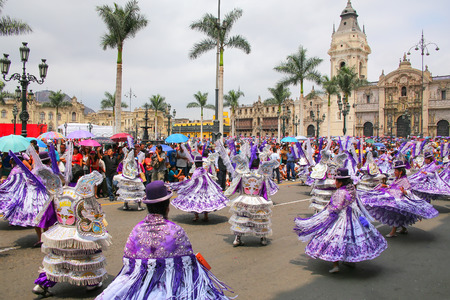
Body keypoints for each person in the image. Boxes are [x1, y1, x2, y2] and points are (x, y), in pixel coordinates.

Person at [95, 180, 233, 299]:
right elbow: (189, 268)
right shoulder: (176, 231)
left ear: (148, 206)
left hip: (141, 285)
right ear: (167, 207)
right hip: (168, 287)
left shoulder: (136, 230)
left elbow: (129, 267)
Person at [294, 168, 387, 273]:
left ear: (341, 181)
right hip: (354, 217)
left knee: (335, 239)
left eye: (336, 181)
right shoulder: (351, 189)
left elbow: (336, 207)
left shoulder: (340, 192)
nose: (335, 183)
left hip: (341, 218)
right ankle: (350, 261)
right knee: (351, 239)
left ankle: (336, 265)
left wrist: (326, 213)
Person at [32, 171, 110, 297]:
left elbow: (49, 215)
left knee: (58, 259)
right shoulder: (82, 194)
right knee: (85, 257)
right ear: (81, 178)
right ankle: (91, 283)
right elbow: (93, 213)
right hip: (79, 233)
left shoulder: (59, 192)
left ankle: (42, 284)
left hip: (61, 231)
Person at [362, 160, 439, 237]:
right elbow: (394, 186)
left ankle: (393, 232)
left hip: (400, 200)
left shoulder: (404, 180)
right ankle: (404, 229)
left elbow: (409, 191)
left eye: (395, 171)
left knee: (395, 215)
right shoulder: (397, 179)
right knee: (399, 215)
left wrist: (404, 191)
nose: (394, 172)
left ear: (400, 172)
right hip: (395, 198)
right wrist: (386, 186)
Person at [225, 147, 279, 247]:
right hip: (257, 200)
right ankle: (263, 238)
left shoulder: (243, 175)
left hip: (244, 199)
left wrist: (227, 195)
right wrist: (267, 200)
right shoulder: (262, 176)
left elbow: (235, 186)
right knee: (260, 219)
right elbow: (265, 190)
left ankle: (237, 238)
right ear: (259, 165)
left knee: (241, 218)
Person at [170, 155, 229, 222]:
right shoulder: (204, 171)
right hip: (205, 189)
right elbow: (209, 180)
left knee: (196, 202)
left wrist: (185, 186)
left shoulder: (196, 172)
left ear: (195, 164)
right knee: (205, 201)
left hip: (197, 190)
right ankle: (206, 216)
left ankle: (196, 216)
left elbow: (192, 181)